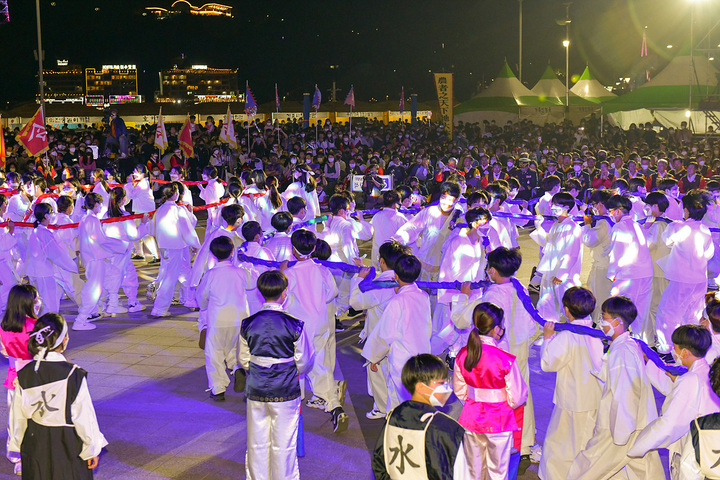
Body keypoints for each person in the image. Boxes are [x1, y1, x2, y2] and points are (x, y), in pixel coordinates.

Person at [452, 247, 539, 461]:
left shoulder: (491, 295)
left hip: (498, 356)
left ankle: (499, 440)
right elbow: (532, 325)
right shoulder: (520, 289)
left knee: (495, 400)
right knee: (521, 395)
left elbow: (461, 320)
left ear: (492, 270)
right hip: (520, 350)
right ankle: (525, 441)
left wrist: (464, 297)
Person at [567, 296, 664, 480]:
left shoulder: (622, 352)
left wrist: (620, 433)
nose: (601, 321)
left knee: (588, 468)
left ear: (618, 322)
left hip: (619, 429)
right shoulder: (627, 346)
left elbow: (625, 394)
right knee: (646, 471)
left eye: (604, 316)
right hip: (638, 425)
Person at [8, 313, 108, 478]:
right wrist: (91, 448)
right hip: (67, 443)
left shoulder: (25, 374)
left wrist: (17, 444)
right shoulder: (73, 374)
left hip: (35, 441)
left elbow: (17, 416)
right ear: (63, 339)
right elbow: (84, 416)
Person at [239, 270, 312, 480]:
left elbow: (243, 359)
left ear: (261, 293)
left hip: (256, 387)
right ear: (284, 293)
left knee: (256, 440)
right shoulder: (295, 324)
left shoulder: (248, 323)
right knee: (284, 443)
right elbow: (304, 360)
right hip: (286, 388)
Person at [628, 325, 720, 478]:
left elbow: (670, 423)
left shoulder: (690, 379)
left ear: (685, 352)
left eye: (675, 347)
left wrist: (638, 446)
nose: (672, 351)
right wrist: (649, 363)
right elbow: (676, 389)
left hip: (696, 449)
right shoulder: (704, 371)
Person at [281, 229, 347, 433]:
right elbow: (331, 294)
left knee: (294, 366)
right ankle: (334, 406)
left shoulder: (289, 273)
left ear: (293, 250)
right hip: (319, 323)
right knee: (322, 366)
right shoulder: (322, 270)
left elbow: (283, 298)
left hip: (297, 326)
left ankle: (291, 409)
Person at [453, 302, 527, 480]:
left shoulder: (464, 355)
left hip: (472, 417)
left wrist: (476, 397)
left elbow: (460, 391)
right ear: (496, 330)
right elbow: (517, 396)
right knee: (498, 469)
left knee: (473, 468)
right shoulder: (505, 359)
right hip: (499, 420)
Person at [373, 354, 473, 480]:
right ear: (420, 387)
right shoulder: (446, 427)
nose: (448, 386)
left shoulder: (392, 417)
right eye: (441, 382)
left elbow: (379, 462)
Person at [539, 287, 604, 480]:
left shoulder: (567, 335)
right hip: (592, 397)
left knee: (562, 445)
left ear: (566, 310)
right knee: (583, 441)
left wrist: (547, 338)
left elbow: (548, 363)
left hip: (572, 400)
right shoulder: (594, 332)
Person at [363, 254, 432, 412]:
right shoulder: (424, 296)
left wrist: (375, 356)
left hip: (402, 359)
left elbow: (385, 334)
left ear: (395, 275)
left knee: (397, 403)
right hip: (422, 355)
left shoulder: (397, 301)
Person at [350, 240, 408, 420]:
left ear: (381, 261)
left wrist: (358, 277)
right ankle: (393, 405)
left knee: (377, 373)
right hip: (401, 335)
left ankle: (383, 407)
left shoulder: (380, 285)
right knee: (393, 373)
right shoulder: (402, 281)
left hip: (380, 337)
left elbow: (356, 302)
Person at [655, 190, 715, 354]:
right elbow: (709, 254)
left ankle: (666, 348)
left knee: (667, 313)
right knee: (692, 314)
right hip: (699, 279)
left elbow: (667, 241)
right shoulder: (705, 230)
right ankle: (689, 347)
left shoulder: (676, 226)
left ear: (687, 210)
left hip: (681, 278)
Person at [197, 236, 250, 401]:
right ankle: (238, 368)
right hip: (240, 318)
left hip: (218, 319)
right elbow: (250, 285)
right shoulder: (241, 272)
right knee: (237, 348)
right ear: (232, 252)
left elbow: (202, 299)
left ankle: (218, 388)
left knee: (214, 353)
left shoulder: (210, 274)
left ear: (213, 254)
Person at [0, 285, 39, 476]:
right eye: (36, 298)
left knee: (15, 419)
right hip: (35, 377)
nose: (38, 301)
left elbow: (4, 351)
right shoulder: (35, 326)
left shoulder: (4, 326)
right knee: (34, 417)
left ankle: (17, 455)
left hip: (13, 377)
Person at [74, 193, 127, 331]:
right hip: (95, 258)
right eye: (100, 203)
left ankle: (109, 304)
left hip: (92, 258)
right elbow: (101, 240)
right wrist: (121, 245)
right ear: (96, 204)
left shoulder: (85, 219)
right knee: (94, 289)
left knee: (113, 274)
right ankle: (81, 319)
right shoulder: (92, 220)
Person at [606, 194, 654, 344]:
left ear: (618, 211)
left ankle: (617, 341)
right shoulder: (637, 225)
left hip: (628, 275)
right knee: (640, 310)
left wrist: (612, 274)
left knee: (618, 309)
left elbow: (616, 253)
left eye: (611, 211)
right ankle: (639, 342)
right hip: (645, 273)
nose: (610, 215)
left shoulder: (619, 227)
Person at [530, 192, 583, 323]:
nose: (553, 207)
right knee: (546, 304)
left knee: (570, 306)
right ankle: (548, 332)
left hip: (564, 276)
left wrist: (561, 274)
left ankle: (578, 334)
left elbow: (572, 254)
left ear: (567, 207)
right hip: (550, 272)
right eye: (552, 204)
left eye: (557, 205)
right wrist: (538, 227)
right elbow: (548, 244)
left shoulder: (572, 227)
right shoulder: (556, 225)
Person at [151, 183, 201, 318]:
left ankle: (182, 301)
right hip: (176, 247)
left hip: (164, 246)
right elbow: (188, 229)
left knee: (170, 275)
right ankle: (160, 307)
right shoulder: (178, 210)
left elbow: (152, 229)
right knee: (171, 277)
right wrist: (195, 244)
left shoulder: (159, 210)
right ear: (174, 194)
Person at [26, 203, 79, 315]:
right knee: (49, 303)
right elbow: (56, 254)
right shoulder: (44, 233)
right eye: (51, 213)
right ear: (46, 216)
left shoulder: (35, 231)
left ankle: (40, 325)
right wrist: (72, 266)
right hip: (44, 273)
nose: (53, 215)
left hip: (34, 271)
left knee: (39, 303)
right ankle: (48, 327)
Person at [103, 187, 148, 314]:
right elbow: (134, 235)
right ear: (123, 199)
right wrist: (143, 224)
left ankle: (115, 302)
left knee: (113, 276)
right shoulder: (124, 216)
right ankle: (125, 303)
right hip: (123, 250)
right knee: (127, 276)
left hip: (110, 251)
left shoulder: (106, 215)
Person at [582, 189, 613, 322]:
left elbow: (590, 240)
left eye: (594, 204)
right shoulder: (609, 219)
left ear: (600, 204)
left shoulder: (605, 221)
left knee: (600, 300)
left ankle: (601, 330)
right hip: (604, 264)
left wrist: (587, 225)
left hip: (603, 267)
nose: (593, 207)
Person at [125, 164, 159, 263]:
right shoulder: (142, 182)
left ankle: (156, 255)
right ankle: (140, 253)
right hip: (140, 211)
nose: (134, 174)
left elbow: (131, 195)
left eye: (137, 172)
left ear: (143, 174)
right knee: (137, 232)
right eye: (134, 171)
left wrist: (128, 183)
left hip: (143, 212)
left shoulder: (143, 184)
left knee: (145, 234)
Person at [370, 190, 408, 269]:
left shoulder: (377, 216)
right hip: (393, 257)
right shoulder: (400, 218)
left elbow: (367, 232)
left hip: (378, 255)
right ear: (395, 204)